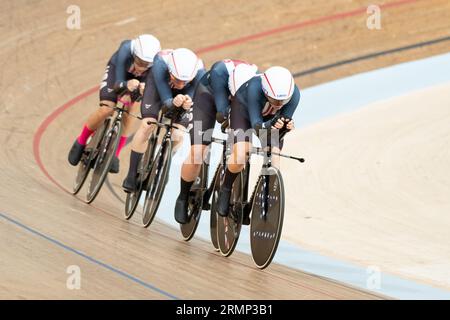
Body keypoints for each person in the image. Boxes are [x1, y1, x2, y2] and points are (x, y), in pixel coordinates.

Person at [173, 59, 258, 224]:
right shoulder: (220, 73)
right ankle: (183, 196)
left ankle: (227, 186)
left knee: (242, 149)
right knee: (198, 151)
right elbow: (222, 113)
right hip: (208, 97)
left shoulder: (255, 82)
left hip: (238, 104)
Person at [67, 34, 161, 173]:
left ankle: (115, 154)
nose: (142, 67)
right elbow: (118, 84)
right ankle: (81, 141)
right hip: (118, 75)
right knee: (107, 109)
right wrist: (127, 85)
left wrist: (142, 90)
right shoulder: (125, 50)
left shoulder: (157, 65)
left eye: (147, 65)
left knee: (130, 114)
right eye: (140, 62)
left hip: (140, 81)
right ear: (134, 54)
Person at [215, 66, 300, 219]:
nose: (280, 104)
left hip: (268, 120)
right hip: (244, 112)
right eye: (275, 99)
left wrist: (285, 128)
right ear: (266, 92)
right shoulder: (255, 88)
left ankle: (266, 195)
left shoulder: (294, 95)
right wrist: (273, 123)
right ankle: (226, 188)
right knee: (242, 153)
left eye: (283, 100)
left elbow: (278, 132)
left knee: (274, 155)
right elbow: (256, 125)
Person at [122, 48, 206, 193]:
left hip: (184, 95)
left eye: (185, 81)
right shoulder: (160, 64)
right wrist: (172, 102)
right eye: (177, 79)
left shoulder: (199, 73)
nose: (180, 84)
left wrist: (188, 100)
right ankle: (131, 174)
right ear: (170, 71)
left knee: (178, 134)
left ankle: (165, 161)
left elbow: (195, 96)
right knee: (147, 125)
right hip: (158, 88)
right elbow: (166, 100)